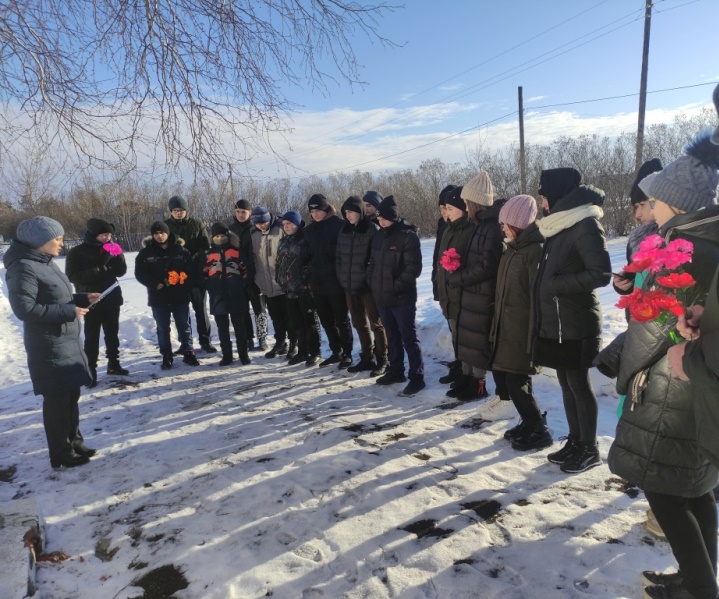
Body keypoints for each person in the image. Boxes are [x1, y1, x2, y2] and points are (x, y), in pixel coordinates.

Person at [608, 131, 719, 599]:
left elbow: (656, 330)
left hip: (672, 389)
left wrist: (621, 363)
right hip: (690, 388)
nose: (649, 208)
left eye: (654, 200)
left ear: (674, 202)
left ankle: (700, 588)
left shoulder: (689, 250)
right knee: (694, 489)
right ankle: (699, 578)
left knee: (666, 493)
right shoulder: (695, 238)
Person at [534, 168, 611, 474]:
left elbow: (601, 273)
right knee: (566, 383)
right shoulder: (559, 226)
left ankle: (590, 449)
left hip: (578, 322)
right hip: (559, 322)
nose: (541, 203)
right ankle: (576, 441)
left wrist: (553, 285)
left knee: (578, 384)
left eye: (543, 196)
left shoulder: (585, 224)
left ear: (557, 195)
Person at [5, 216, 96, 468]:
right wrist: (69, 311)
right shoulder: (23, 267)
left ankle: (75, 442)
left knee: (71, 397)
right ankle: (61, 453)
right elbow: (25, 309)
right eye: (57, 239)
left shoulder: (45, 262)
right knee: (57, 402)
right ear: (39, 241)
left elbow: (54, 297)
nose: (62, 243)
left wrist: (81, 297)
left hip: (65, 341)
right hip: (48, 345)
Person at [489, 195, 552, 448]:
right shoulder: (511, 251)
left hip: (522, 331)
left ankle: (539, 429)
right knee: (510, 380)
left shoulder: (534, 252)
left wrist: (533, 336)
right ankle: (528, 422)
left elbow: (537, 297)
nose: (502, 228)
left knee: (517, 381)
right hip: (506, 328)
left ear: (518, 224)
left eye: (505, 223)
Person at [450, 172, 505, 401]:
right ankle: (467, 378)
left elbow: (487, 265)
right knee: (467, 339)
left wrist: (460, 277)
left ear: (475, 202)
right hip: (472, 292)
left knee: (478, 341)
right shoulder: (479, 223)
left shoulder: (491, 226)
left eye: (466, 201)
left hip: (483, 294)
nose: (464, 205)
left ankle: (478, 384)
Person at [367, 195, 425, 396]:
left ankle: (416, 376)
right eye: (378, 219)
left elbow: (413, 269)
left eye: (383, 218)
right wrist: (372, 282)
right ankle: (396, 370)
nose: (380, 222)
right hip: (382, 297)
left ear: (393, 217)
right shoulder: (379, 235)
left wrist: (394, 286)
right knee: (391, 337)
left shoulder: (408, 237)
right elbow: (372, 263)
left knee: (408, 337)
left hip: (402, 298)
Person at [65, 217, 129, 387]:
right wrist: (101, 268)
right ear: (94, 235)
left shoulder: (111, 249)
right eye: (103, 235)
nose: (107, 238)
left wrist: (119, 256)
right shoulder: (77, 252)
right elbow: (73, 276)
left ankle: (113, 364)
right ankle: (90, 370)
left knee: (112, 333)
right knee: (92, 336)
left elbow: (121, 272)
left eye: (109, 235)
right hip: (90, 299)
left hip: (111, 296)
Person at [135, 221, 200, 369]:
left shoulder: (181, 251)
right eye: (156, 233)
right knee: (163, 328)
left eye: (162, 232)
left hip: (180, 296)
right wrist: (154, 284)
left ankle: (188, 351)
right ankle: (166, 355)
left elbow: (191, 271)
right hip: (158, 297)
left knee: (184, 325)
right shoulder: (146, 253)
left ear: (168, 233)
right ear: (152, 235)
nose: (159, 236)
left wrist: (184, 283)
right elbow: (139, 273)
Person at [336, 195, 388, 376]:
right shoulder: (343, 230)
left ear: (359, 211)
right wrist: (342, 278)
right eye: (345, 212)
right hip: (349, 286)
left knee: (376, 323)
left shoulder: (371, 229)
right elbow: (339, 257)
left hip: (367, 286)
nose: (348, 215)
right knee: (358, 322)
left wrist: (368, 277)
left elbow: (376, 257)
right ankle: (367, 357)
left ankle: (382, 359)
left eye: (351, 211)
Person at [304, 193, 354, 368]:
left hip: (336, 282)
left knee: (342, 320)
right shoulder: (309, 230)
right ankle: (336, 351)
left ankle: (347, 353)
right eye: (312, 211)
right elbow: (307, 255)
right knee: (326, 321)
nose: (315, 214)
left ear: (326, 209)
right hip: (317, 283)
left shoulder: (340, 225)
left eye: (318, 210)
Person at [164, 195, 216, 353]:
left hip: (196, 273)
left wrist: (191, 259)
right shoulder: (165, 226)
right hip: (176, 275)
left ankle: (205, 341)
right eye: (175, 210)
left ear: (186, 211)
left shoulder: (197, 224)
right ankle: (185, 343)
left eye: (181, 210)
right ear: (171, 212)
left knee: (200, 308)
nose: (178, 213)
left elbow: (205, 247)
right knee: (181, 310)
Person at [435, 185, 473, 392]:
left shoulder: (469, 229)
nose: (445, 212)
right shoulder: (449, 229)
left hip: (461, 293)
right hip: (448, 292)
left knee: (465, 338)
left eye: (449, 208)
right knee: (456, 336)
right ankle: (461, 370)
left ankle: (470, 377)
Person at [198, 222, 252, 366]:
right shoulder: (208, 254)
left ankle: (243, 355)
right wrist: (208, 285)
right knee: (222, 329)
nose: (220, 238)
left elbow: (246, 271)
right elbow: (202, 274)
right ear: (212, 237)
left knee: (240, 327)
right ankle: (227, 355)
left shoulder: (236, 252)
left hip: (236, 295)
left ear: (228, 236)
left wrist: (242, 284)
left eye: (223, 235)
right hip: (217, 296)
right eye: (217, 236)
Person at [275, 211, 322, 366]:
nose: (286, 227)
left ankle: (315, 352)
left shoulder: (305, 239)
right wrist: (279, 278)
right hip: (288, 289)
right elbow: (279, 262)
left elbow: (312, 261)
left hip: (304, 288)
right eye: (284, 224)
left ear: (296, 223)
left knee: (309, 322)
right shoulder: (282, 242)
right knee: (296, 323)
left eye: (289, 224)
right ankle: (302, 351)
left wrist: (306, 280)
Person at [250, 206, 297, 359]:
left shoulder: (280, 228)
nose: (262, 225)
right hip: (266, 283)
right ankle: (280, 343)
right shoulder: (253, 234)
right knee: (276, 316)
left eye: (264, 222)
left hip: (283, 282)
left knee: (289, 315)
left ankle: (293, 343)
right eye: (258, 223)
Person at [613, 158, 663, 299]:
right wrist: (624, 281)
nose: (638, 214)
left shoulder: (675, 237)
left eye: (642, 205)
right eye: (635, 207)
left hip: (664, 319)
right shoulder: (637, 239)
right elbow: (639, 278)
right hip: (638, 316)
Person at [229, 198, 269, 351]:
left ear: (250, 213)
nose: (240, 214)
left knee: (259, 308)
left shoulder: (255, 228)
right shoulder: (230, 229)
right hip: (238, 276)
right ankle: (248, 338)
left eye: (243, 212)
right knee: (243, 309)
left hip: (256, 275)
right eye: (238, 211)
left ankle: (262, 337)